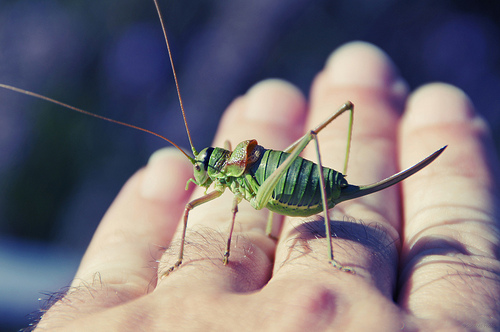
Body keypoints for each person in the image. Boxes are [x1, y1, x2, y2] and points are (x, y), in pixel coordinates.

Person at [33, 42, 499, 331]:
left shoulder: (229, 178)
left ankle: (334, 247)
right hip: (275, 179)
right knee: (218, 201)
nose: (199, 174)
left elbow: (237, 205)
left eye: (203, 166)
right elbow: (232, 177)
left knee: (237, 196)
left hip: (294, 182)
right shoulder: (218, 169)